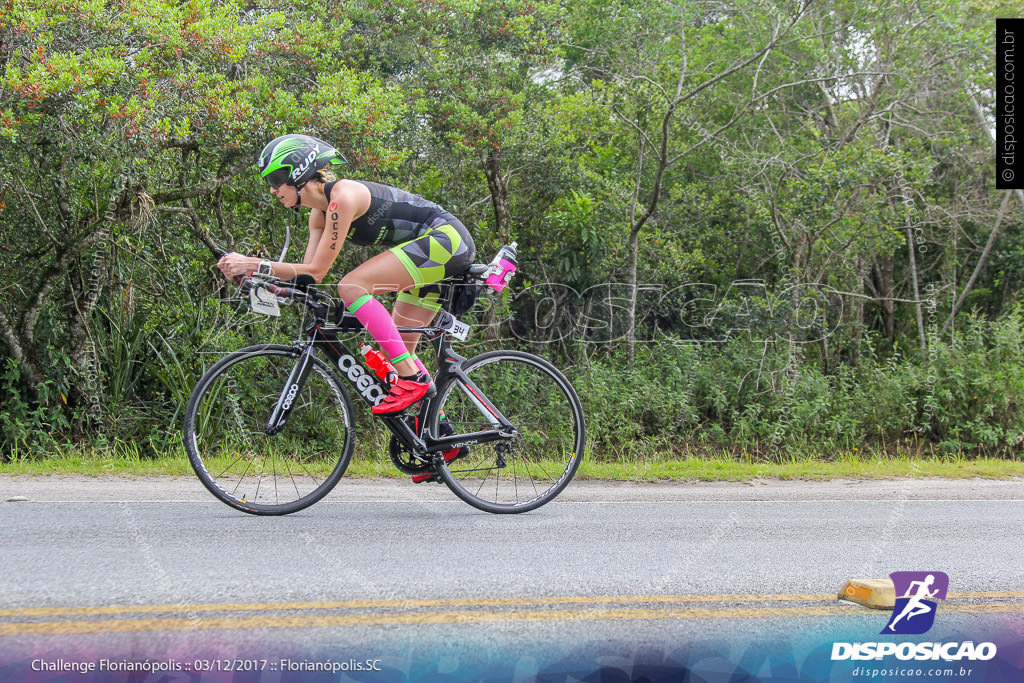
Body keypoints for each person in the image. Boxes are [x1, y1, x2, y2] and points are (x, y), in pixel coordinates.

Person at [216, 134, 474, 474]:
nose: (272, 189)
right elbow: (308, 276)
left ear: (299, 173)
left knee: (352, 286)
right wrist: (269, 285)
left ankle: (413, 382)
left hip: (446, 240)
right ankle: (442, 440)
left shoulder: (343, 196)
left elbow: (319, 270)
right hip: (429, 256)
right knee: (396, 357)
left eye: (276, 180)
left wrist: (253, 262)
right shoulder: (318, 215)